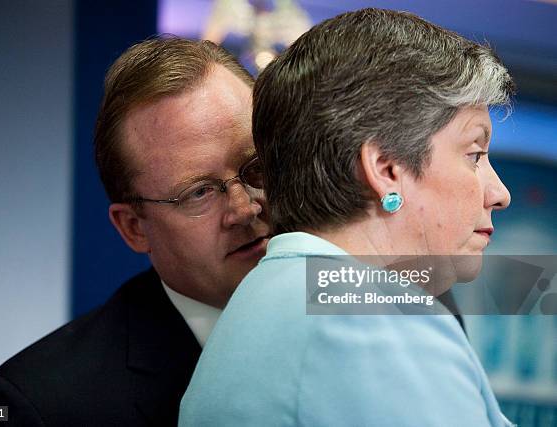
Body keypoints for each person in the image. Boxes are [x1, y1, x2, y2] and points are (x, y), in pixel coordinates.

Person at [180, 8, 515, 427]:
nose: (499, 193)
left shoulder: (276, 301)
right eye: (475, 154)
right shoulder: (373, 323)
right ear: (386, 169)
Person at [0, 37, 270, 426]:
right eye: (198, 192)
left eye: (256, 166)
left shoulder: (361, 298)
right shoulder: (39, 403)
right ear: (134, 229)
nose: (245, 208)